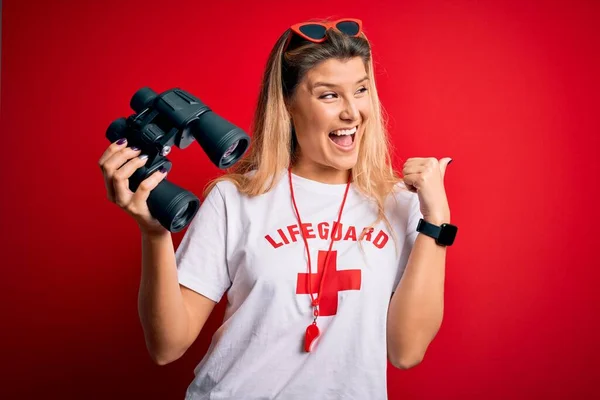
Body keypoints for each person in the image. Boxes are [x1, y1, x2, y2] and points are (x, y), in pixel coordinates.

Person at [98, 17, 455, 400]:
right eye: (329, 95)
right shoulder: (234, 199)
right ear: (288, 103)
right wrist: (155, 234)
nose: (353, 112)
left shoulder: (402, 204)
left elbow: (406, 351)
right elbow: (167, 346)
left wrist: (437, 220)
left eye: (361, 89)